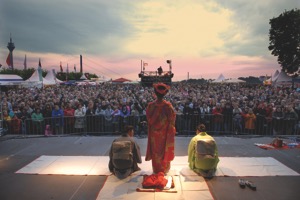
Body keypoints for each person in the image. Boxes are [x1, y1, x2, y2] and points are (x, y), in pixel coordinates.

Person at [145, 82, 176, 174]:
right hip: (165, 133)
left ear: (155, 92)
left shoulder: (151, 106)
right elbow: (172, 119)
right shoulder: (168, 106)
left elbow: (148, 119)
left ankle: (156, 169)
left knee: (155, 151)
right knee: (163, 150)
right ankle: (164, 169)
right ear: (165, 93)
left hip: (154, 134)